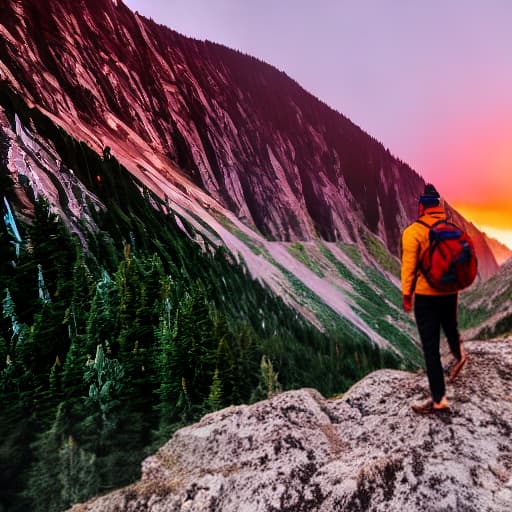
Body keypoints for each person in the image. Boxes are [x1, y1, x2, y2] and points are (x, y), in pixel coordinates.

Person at [401, 184, 468, 414]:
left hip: (426, 295)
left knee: (431, 348)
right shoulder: (450, 227)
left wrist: (407, 294)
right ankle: (459, 355)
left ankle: (439, 399)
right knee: (450, 326)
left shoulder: (413, 232)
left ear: (422, 207)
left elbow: (409, 267)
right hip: (450, 291)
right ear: (439, 207)